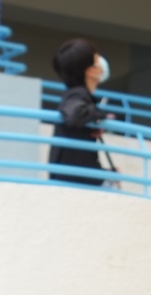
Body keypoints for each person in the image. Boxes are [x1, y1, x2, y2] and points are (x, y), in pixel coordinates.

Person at [48, 39, 110, 186]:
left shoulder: (77, 95)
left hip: (72, 175)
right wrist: (100, 114)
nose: (101, 63)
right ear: (90, 70)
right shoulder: (77, 95)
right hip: (72, 178)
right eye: (97, 60)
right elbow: (74, 115)